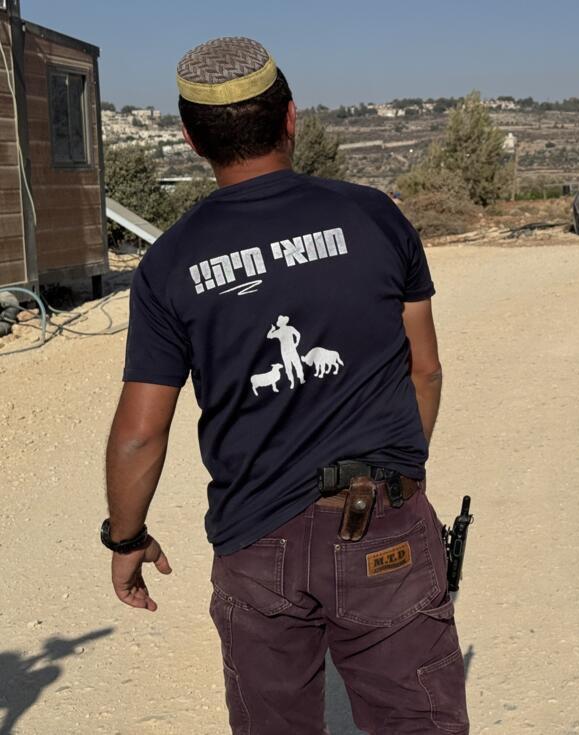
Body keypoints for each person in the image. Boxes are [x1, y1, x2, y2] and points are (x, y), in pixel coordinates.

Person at [101, 37, 468, 734]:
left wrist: (125, 539)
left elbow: (140, 433)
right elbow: (424, 368)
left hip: (255, 540)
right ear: (291, 117)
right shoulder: (375, 216)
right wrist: (399, 477)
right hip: (382, 517)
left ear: (191, 139)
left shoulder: (169, 264)